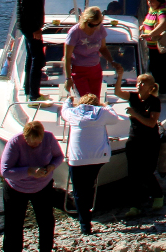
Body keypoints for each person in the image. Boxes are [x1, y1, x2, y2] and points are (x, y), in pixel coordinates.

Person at [60, 92, 124, 234]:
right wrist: (107, 106)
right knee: (89, 187)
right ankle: (88, 215)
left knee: (78, 191)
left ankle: (85, 225)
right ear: (97, 104)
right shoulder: (101, 112)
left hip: (77, 158)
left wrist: (67, 100)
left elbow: (64, 111)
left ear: (80, 103)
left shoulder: (73, 113)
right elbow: (115, 118)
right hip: (98, 158)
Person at [0, 120, 63, 252]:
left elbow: (59, 156)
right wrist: (29, 171)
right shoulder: (15, 142)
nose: (35, 145)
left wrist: (51, 166)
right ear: (25, 137)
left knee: (46, 222)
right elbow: (5, 171)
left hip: (42, 186)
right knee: (13, 226)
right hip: (16, 188)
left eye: (38, 142)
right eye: (31, 142)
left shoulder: (49, 138)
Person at [112, 73, 163, 216]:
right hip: (134, 138)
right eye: (138, 82)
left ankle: (158, 195)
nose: (139, 85)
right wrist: (120, 75)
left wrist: (135, 114)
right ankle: (134, 206)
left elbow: (151, 123)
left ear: (150, 87)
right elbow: (118, 92)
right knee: (133, 173)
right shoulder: (133, 97)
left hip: (150, 140)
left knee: (147, 171)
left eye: (143, 83)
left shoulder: (154, 102)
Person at [16, 0, 50, 102]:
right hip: (30, 26)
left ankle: (29, 90)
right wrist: (35, 28)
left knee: (31, 57)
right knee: (38, 58)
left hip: (29, 25)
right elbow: (26, 7)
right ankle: (34, 95)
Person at [63, 7, 116, 100]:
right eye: (91, 25)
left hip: (95, 69)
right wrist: (68, 79)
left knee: (95, 100)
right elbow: (67, 57)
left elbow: (103, 48)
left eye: (97, 24)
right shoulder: (75, 32)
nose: (95, 27)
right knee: (86, 101)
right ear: (84, 21)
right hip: (79, 71)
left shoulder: (100, 29)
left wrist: (112, 61)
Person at [139, 0, 166, 98]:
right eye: (148, 1)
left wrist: (149, 34)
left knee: (159, 67)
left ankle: (165, 92)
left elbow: (163, 24)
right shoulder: (153, 8)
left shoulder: (163, 10)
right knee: (153, 67)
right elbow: (149, 19)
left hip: (163, 45)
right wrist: (144, 26)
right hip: (153, 46)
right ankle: (156, 88)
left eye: (152, 1)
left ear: (159, 0)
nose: (150, 3)